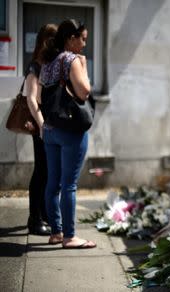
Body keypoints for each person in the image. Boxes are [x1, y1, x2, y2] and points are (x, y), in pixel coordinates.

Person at [39, 19, 96, 248]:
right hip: (70, 129)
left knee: (53, 183)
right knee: (69, 184)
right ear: (70, 38)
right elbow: (84, 92)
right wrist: (83, 67)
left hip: (50, 129)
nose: (84, 44)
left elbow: (42, 95)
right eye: (82, 39)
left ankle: (56, 233)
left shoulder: (48, 61)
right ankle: (70, 237)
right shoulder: (72, 59)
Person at [24, 24, 58, 235]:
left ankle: (44, 214)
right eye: (54, 40)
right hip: (41, 126)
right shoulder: (35, 66)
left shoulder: (47, 64)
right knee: (41, 171)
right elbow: (31, 98)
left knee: (47, 172)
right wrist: (42, 124)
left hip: (48, 125)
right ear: (46, 40)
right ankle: (34, 219)